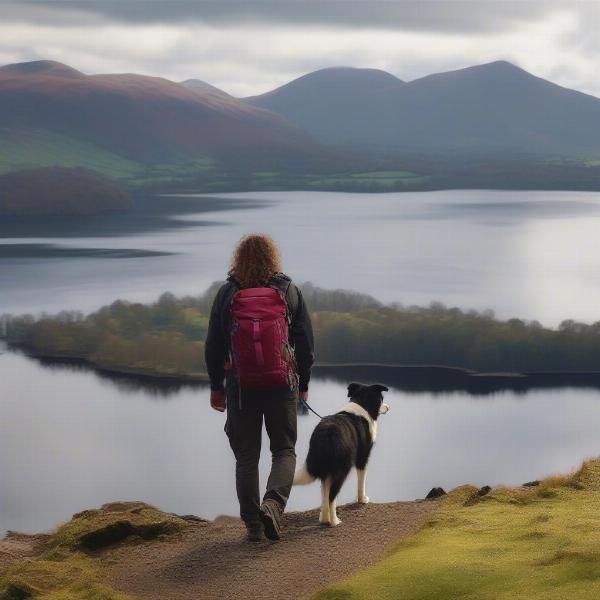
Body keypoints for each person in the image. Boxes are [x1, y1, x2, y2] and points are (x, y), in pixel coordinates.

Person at [205, 234, 314, 542]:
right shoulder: (288, 291)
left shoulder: (227, 294)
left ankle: (253, 525)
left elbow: (213, 345)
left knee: (246, 457)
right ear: (272, 258)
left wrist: (217, 387)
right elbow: (305, 344)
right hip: (282, 384)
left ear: (238, 259)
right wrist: (303, 384)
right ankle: (273, 506)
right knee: (284, 449)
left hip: (241, 386)